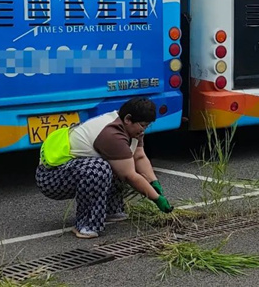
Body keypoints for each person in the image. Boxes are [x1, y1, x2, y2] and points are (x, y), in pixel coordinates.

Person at [36, 97, 173, 239]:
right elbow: (129, 175)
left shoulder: (130, 128)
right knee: (100, 169)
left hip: (72, 169)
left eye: (147, 126)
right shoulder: (112, 134)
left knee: (119, 162)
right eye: (143, 125)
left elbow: (139, 156)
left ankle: (110, 210)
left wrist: (153, 182)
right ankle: (85, 225)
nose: (144, 130)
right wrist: (156, 198)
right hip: (51, 178)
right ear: (128, 119)